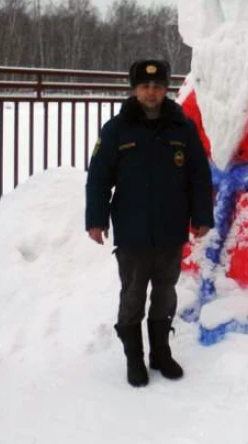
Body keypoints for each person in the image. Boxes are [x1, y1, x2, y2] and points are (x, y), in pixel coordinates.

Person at [86, 59, 214, 387]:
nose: (151, 92)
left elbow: (199, 176)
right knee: (132, 294)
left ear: (166, 88)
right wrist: (96, 219)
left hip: (171, 228)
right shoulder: (117, 129)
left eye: (157, 86)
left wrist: (202, 216)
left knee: (165, 293)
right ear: (134, 89)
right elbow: (99, 178)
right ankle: (134, 358)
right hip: (132, 230)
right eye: (144, 86)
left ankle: (161, 352)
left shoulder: (182, 128)